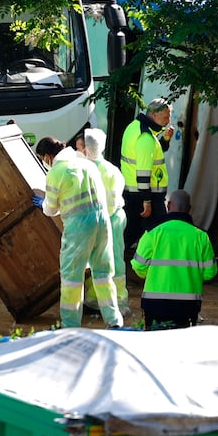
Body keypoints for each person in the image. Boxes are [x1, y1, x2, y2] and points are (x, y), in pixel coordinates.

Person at [33, 136, 123, 329]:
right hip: (102, 222)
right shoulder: (86, 163)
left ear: (48, 156)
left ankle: (70, 325)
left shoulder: (57, 171)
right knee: (103, 275)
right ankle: (114, 321)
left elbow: (50, 209)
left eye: (42, 158)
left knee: (72, 278)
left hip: (78, 228)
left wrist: (43, 203)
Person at [131, 189, 216, 329]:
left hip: (154, 304)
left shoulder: (152, 232)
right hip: (187, 306)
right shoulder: (201, 236)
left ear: (168, 205)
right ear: (189, 209)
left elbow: (139, 267)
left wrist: (156, 275)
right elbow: (209, 273)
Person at [80, 128, 130, 317]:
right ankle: (116, 301)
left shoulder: (82, 169)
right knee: (114, 260)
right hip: (113, 219)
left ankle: (95, 301)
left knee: (93, 261)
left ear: (85, 147)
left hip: (92, 222)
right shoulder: (111, 170)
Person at [120, 97, 174, 251]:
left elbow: (150, 156)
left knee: (131, 232)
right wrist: (147, 200)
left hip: (134, 192)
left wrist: (165, 140)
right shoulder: (145, 137)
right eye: (166, 116)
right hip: (146, 195)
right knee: (159, 232)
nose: (168, 120)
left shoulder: (135, 127)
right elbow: (143, 171)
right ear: (153, 115)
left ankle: (114, 263)